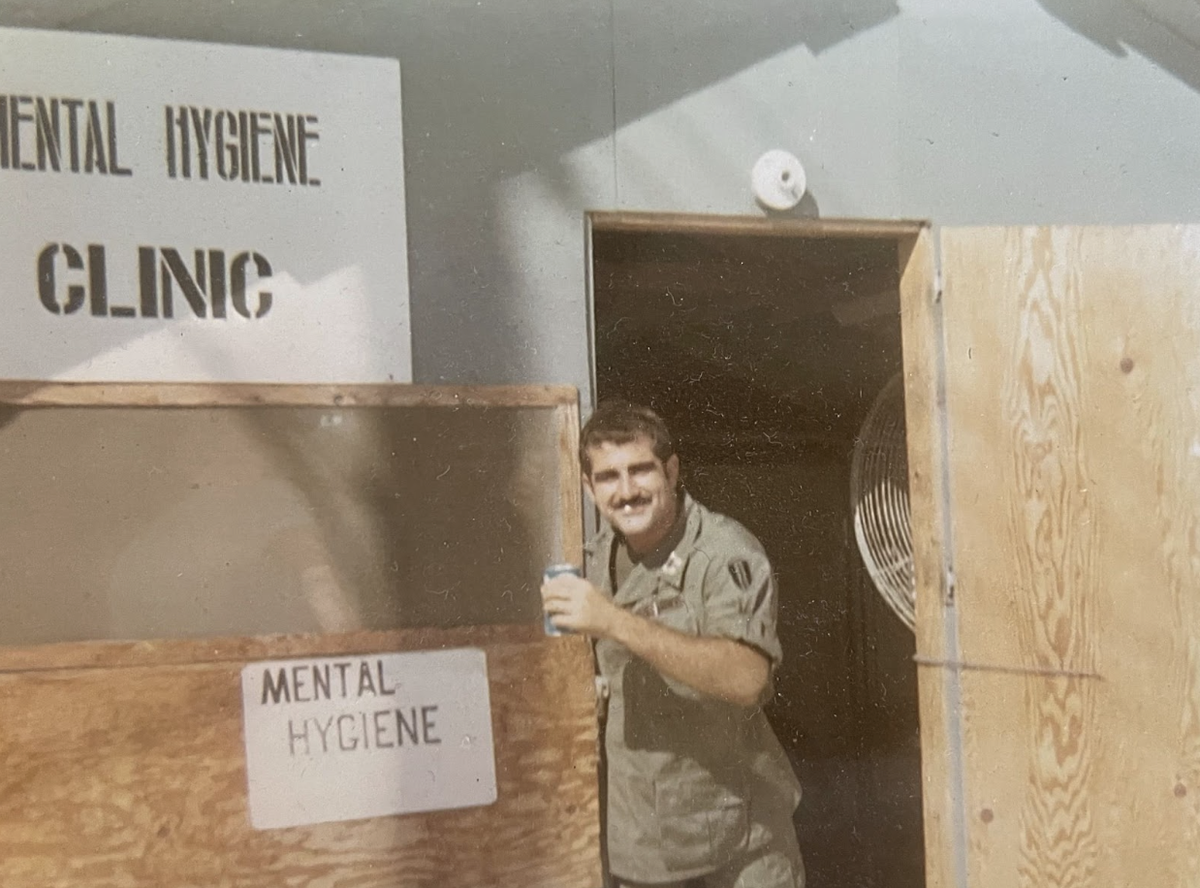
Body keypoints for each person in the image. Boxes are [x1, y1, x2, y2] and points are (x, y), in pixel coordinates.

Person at [542, 401, 804, 888]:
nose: (626, 492)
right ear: (588, 487)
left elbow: (749, 677)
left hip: (737, 847)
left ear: (672, 470)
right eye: (607, 477)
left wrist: (615, 622)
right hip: (642, 848)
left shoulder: (723, 553)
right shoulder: (592, 560)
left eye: (641, 471)